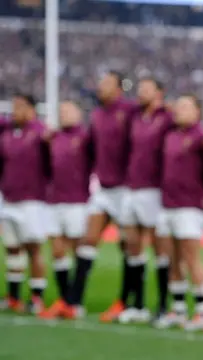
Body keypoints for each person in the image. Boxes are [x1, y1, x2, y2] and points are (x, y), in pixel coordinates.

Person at [62, 71, 136, 320]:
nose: (100, 86)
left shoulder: (129, 111)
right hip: (103, 188)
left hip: (126, 188)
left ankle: (124, 302)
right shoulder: (96, 115)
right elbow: (90, 150)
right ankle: (74, 302)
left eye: (106, 83)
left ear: (119, 88)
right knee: (88, 240)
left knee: (129, 245)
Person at [155, 94, 203, 331]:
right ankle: (178, 310)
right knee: (172, 260)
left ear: (197, 112)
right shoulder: (169, 135)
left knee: (191, 258)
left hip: (189, 206)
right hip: (167, 204)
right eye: (178, 106)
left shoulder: (202, 137)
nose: (179, 111)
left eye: (185, 106)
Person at [118, 77, 174, 324]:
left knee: (158, 247)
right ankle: (137, 304)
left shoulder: (167, 117)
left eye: (146, 89)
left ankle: (163, 305)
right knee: (132, 245)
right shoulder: (134, 116)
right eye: (139, 89)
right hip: (131, 187)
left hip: (153, 189)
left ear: (159, 92)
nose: (140, 93)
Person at [39, 101, 93, 319]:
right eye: (61, 112)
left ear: (79, 114)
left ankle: (75, 300)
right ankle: (65, 299)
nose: (64, 115)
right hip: (55, 200)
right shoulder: (53, 139)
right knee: (57, 249)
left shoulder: (86, 138)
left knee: (76, 247)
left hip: (77, 200)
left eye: (69, 111)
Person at [0, 93, 50, 315]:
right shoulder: (7, 133)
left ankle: (37, 297)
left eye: (20, 107)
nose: (14, 111)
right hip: (9, 198)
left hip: (32, 201)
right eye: (13, 107)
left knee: (33, 249)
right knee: (12, 249)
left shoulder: (39, 132)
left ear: (31, 109)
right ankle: (13, 297)